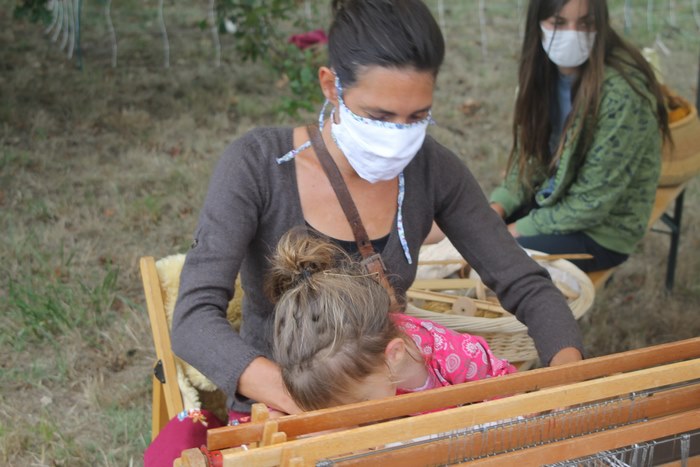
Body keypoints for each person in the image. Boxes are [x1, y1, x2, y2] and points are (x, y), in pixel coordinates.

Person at [170, 0, 583, 425]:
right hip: (281, 413)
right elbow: (193, 319)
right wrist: (309, 402)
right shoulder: (257, 166)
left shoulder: (432, 169)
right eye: (379, 116)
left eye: (417, 117)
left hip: (395, 407)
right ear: (331, 86)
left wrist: (566, 378)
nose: (398, 136)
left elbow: (525, 284)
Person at [488, 0, 671, 272]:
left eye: (585, 23)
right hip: (554, 198)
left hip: (602, 231)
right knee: (473, 237)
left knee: (498, 259)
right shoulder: (541, 70)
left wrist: (512, 231)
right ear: (537, 23)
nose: (572, 34)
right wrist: (498, 206)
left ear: (601, 24)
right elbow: (529, 158)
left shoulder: (623, 94)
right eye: (558, 23)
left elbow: (591, 204)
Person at [266, 228, 517, 410]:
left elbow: (505, 388)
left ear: (394, 354)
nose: (357, 418)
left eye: (362, 403)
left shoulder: (455, 357)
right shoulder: (349, 372)